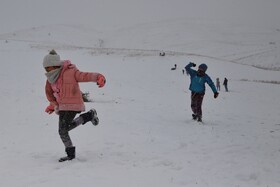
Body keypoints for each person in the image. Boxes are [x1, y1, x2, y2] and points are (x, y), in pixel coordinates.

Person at [43, 50, 106, 162]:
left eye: (48, 68)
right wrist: (52, 105)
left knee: (62, 130)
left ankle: (70, 154)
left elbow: (84, 76)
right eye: (45, 68)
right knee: (63, 130)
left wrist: (98, 77)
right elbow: (54, 94)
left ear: (55, 65)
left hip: (73, 105)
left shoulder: (70, 71)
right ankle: (89, 116)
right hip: (62, 107)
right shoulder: (50, 80)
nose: (46, 71)